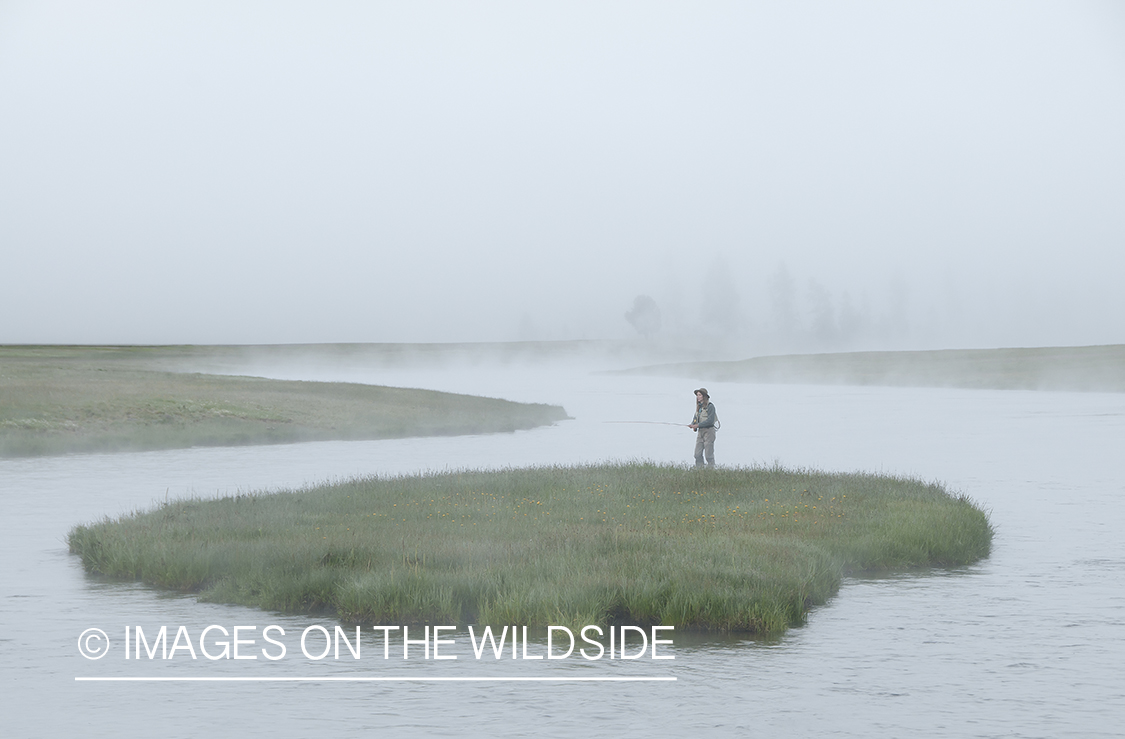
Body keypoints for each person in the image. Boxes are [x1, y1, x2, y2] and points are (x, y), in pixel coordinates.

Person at [689, 388, 718, 466]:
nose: (698, 397)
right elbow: (695, 419)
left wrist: (698, 425)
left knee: (709, 455)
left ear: (704, 396)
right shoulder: (699, 408)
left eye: (699, 395)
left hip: (709, 432)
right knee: (697, 454)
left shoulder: (710, 406)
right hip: (700, 432)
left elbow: (710, 421)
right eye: (697, 395)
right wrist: (693, 425)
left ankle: (711, 471)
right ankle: (700, 471)